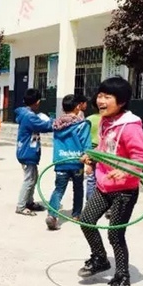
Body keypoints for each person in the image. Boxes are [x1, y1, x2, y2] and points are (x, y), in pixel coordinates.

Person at [79, 76, 143, 286]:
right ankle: (100, 258)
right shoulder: (105, 122)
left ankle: (122, 279)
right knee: (86, 220)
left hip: (124, 191)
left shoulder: (130, 127)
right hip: (104, 185)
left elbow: (141, 157)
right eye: (100, 95)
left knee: (115, 234)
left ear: (121, 101)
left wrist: (127, 170)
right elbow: (104, 149)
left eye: (107, 97)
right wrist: (92, 157)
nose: (101, 100)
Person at [46, 95, 92, 230]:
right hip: (77, 162)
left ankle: (52, 215)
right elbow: (86, 144)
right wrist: (88, 160)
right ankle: (76, 214)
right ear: (78, 107)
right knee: (78, 188)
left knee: (59, 189)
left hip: (61, 161)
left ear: (63, 108)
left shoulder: (57, 124)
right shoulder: (82, 124)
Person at [14, 89, 53, 216]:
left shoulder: (27, 114)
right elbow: (45, 126)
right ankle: (21, 206)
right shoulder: (29, 116)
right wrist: (58, 122)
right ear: (37, 102)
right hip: (27, 152)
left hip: (28, 151)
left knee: (33, 178)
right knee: (29, 179)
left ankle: (29, 202)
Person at [85, 94, 100, 200]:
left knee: (91, 178)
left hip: (91, 149)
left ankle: (90, 202)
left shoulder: (89, 119)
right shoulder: (109, 120)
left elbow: (84, 136)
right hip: (106, 151)